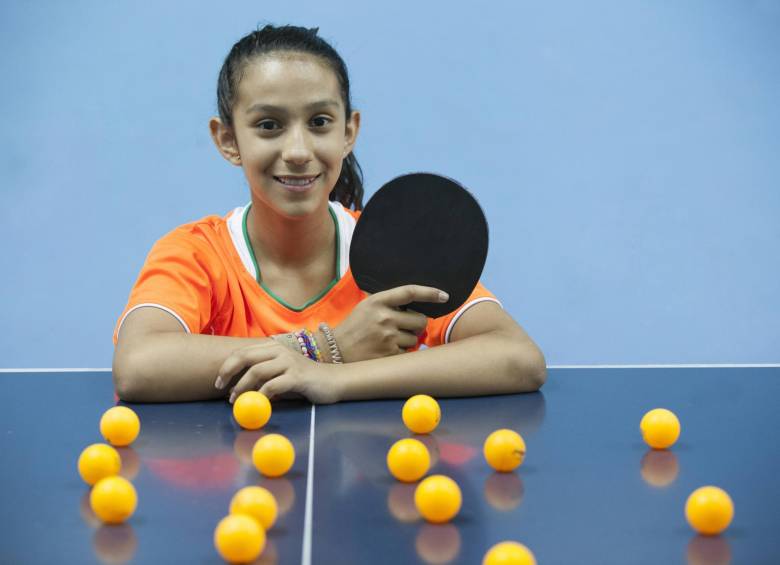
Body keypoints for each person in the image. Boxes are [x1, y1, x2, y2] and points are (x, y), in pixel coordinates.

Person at [112, 24, 546, 404]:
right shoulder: (196, 254)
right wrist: (326, 345)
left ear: (348, 132)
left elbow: (518, 358)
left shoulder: (397, 249)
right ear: (227, 139)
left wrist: (336, 378)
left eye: (319, 122)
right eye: (268, 125)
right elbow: (138, 365)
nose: (298, 152)